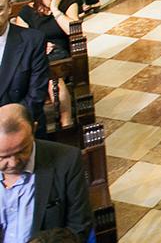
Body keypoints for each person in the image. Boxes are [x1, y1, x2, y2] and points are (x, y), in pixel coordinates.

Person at [0, 103, 93, 240]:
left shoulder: (66, 160)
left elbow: (79, 227)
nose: (13, 163)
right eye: (3, 157)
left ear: (34, 129)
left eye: (22, 151)